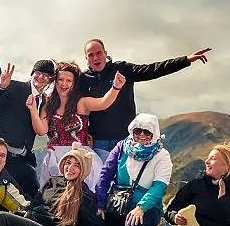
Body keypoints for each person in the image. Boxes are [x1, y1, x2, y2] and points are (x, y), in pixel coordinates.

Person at [78, 39, 211, 159]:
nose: (95, 57)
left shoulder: (122, 69)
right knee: (101, 182)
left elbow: (152, 70)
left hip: (126, 139)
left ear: (105, 53)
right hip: (99, 142)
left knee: (126, 182)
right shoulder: (83, 79)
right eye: (90, 55)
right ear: (86, 58)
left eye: (99, 53)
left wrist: (186, 60)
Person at [0, 143, 103, 226]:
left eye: (77, 165)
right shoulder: (52, 182)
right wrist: (26, 212)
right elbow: (35, 203)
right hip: (35, 222)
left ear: (83, 170)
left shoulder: (85, 195)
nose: (70, 168)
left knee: (3, 218)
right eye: (68, 163)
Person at [31, 60, 126, 191]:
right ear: (55, 81)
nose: (64, 84)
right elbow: (41, 130)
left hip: (80, 157)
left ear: (74, 83)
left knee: (84, 195)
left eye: (69, 80)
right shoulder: (48, 105)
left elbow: (103, 103)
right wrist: (32, 110)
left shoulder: (82, 103)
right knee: (54, 196)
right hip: (55, 159)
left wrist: (116, 87)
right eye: (60, 79)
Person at [94, 113, 172, 226]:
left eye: (147, 132)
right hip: (118, 203)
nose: (141, 135)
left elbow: (159, 186)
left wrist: (141, 207)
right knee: (96, 221)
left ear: (154, 134)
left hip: (148, 207)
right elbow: (106, 174)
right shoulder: (122, 147)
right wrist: (100, 203)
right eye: (137, 131)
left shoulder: (162, 156)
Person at [0, 59, 55, 200]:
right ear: (32, 73)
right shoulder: (15, 87)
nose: (41, 77)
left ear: (50, 81)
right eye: (38, 73)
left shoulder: (44, 102)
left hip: (19, 156)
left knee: (33, 192)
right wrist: (1, 87)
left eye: (46, 75)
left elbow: (44, 128)